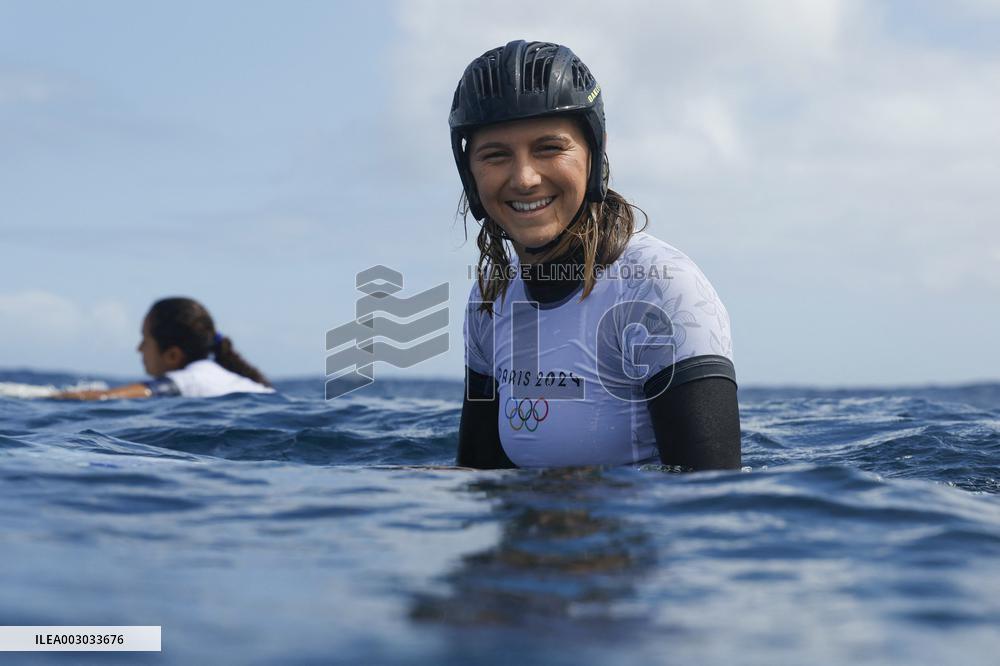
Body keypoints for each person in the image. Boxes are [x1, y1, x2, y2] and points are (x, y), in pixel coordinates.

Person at [451, 40, 741, 471]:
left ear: (594, 154)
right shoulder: (490, 300)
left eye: (549, 148)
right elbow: (478, 480)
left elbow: (710, 505)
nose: (525, 178)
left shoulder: (662, 290)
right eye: (496, 155)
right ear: (470, 174)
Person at [55, 297, 274, 400]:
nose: (139, 349)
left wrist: (55, 396)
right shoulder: (229, 380)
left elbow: (110, 397)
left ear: (172, 355)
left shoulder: (190, 379)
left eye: (145, 339)